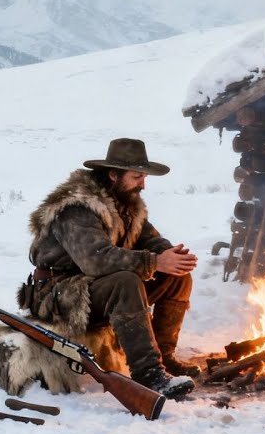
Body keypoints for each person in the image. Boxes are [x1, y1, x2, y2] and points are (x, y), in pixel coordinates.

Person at [19, 138, 200, 400]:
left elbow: (148, 239)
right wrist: (154, 262)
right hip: (60, 295)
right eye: (137, 176)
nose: (143, 184)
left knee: (178, 278)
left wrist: (171, 256)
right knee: (125, 281)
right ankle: (148, 375)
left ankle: (164, 358)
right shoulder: (77, 207)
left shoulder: (126, 204)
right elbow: (96, 260)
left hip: (91, 287)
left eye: (144, 177)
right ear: (114, 175)